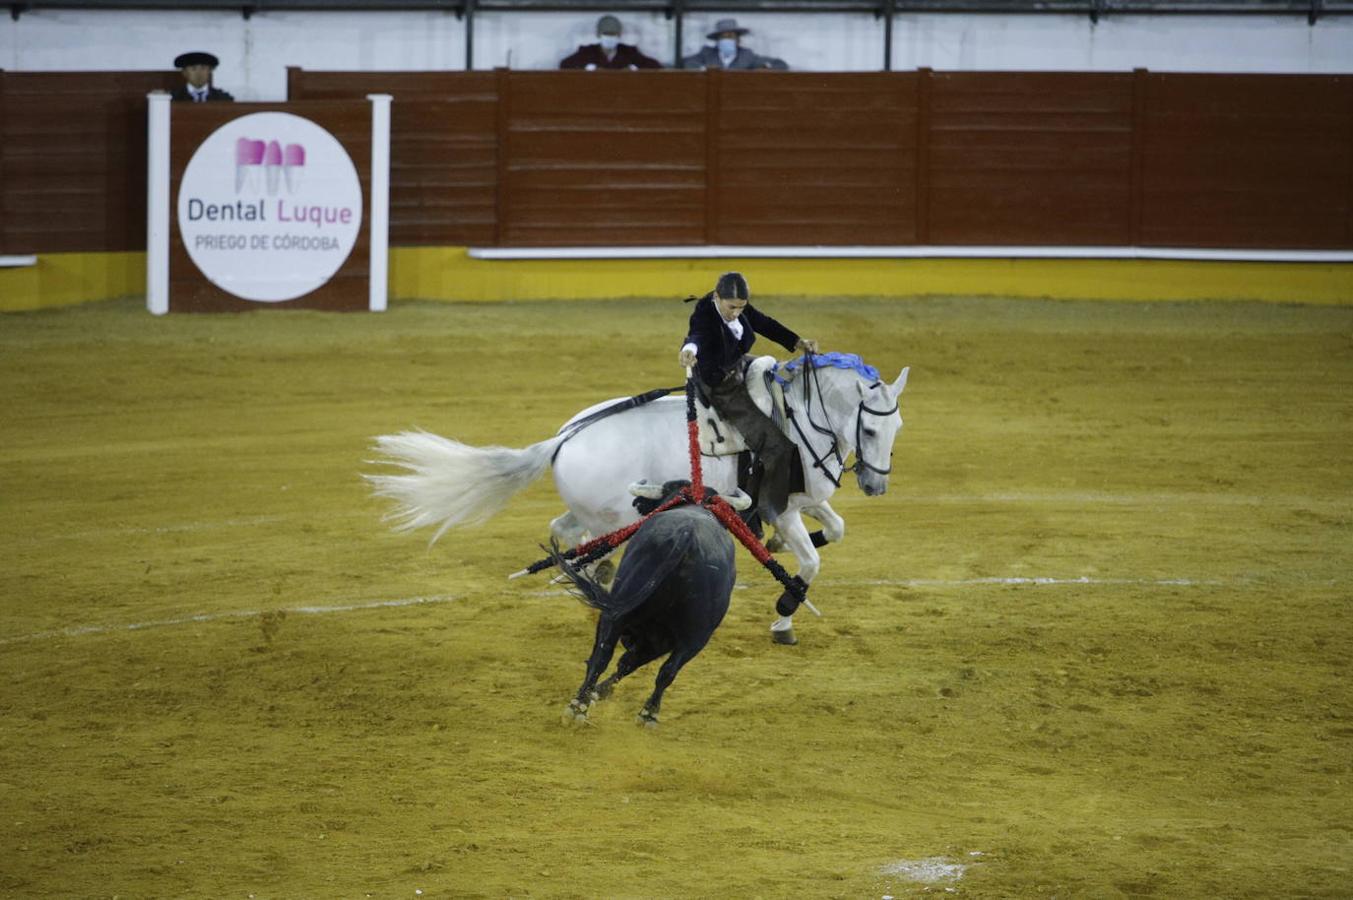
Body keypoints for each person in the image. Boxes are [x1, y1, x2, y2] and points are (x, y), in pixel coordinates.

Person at [678, 272, 817, 520]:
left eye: (741, 308)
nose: (736, 313)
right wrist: (689, 349)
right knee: (776, 447)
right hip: (719, 383)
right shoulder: (704, 313)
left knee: (779, 373)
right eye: (731, 307)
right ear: (717, 297)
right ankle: (764, 511)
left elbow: (763, 322)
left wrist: (796, 341)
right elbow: (696, 335)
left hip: (736, 364)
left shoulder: (738, 308)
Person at [560, 15, 662, 70]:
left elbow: (655, 66)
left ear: (619, 35)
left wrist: (633, 68)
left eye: (614, 34)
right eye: (606, 33)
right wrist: (589, 68)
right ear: (598, 34)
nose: (610, 37)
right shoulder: (587, 52)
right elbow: (565, 64)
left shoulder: (629, 52)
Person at [682, 18, 788, 71]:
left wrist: (765, 67)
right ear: (717, 40)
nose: (727, 40)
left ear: (738, 40)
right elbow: (687, 62)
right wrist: (705, 69)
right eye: (724, 37)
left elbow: (780, 64)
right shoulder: (707, 53)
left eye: (731, 36)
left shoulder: (747, 55)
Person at [170, 51, 234, 102]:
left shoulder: (223, 98)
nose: (199, 73)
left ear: (210, 71)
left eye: (203, 68)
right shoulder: (173, 98)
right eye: (193, 69)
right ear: (184, 72)